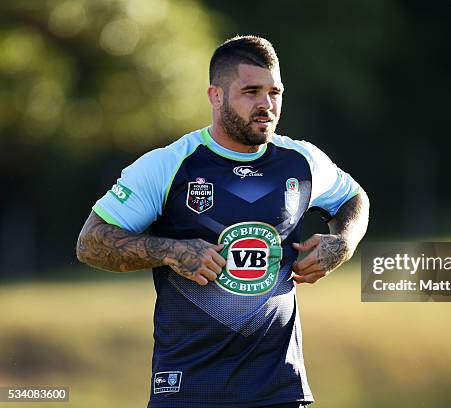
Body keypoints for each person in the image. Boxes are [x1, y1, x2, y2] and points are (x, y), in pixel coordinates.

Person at [76, 35, 369, 408]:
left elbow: (354, 197)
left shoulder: (301, 161)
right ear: (216, 96)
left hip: (281, 390)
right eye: (251, 92)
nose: (266, 105)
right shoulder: (168, 165)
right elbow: (90, 243)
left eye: (274, 92)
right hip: (188, 390)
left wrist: (342, 242)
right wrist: (171, 250)